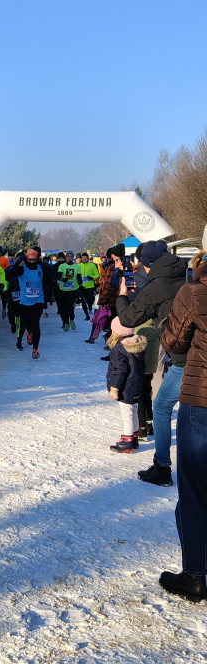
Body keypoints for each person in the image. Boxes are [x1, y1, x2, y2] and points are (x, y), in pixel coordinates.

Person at [115, 240, 188, 486]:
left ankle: (162, 466)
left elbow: (128, 318)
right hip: (196, 350)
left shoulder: (156, 287)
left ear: (147, 265)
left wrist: (122, 296)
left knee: (162, 406)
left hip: (184, 358)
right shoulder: (186, 275)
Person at [158, 243, 207, 603]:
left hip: (201, 399)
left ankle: (194, 574)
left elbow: (173, 340)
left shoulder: (194, 291)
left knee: (193, 487)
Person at [106, 317, 147, 452]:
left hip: (125, 386)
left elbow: (119, 370)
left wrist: (114, 388)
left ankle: (127, 440)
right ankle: (134, 437)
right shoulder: (138, 343)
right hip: (136, 383)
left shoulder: (119, 349)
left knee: (127, 413)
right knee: (133, 410)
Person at [11, 249, 44, 359]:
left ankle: (35, 350)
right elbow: (11, 273)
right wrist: (17, 263)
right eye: (29, 260)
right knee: (26, 323)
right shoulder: (22, 269)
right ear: (26, 259)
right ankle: (29, 332)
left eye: (34, 260)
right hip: (25, 302)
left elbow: (50, 272)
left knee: (36, 324)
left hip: (38, 301)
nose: (31, 262)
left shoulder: (40, 267)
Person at [56, 251, 82, 331]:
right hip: (63, 289)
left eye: (71, 256)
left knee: (70, 306)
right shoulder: (62, 266)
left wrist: (81, 287)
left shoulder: (77, 267)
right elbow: (58, 276)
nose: (69, 258)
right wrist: (62, 279)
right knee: (64, 307)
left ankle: (71, 320)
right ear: (66, 258)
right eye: (68, 256)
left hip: (73, 289)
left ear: (73, 258)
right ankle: (66, 322)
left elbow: (79, 277)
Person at [78, 253, 100, 320]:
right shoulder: (78, 266)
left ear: (88, 258)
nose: (84, 258)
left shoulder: (92, 265)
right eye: (83, 257)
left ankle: (90, 306)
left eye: (85, 257)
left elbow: (97, 275)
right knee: (83, 301)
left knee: (90, 300)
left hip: (90, 286)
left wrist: (91, 278)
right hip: (81, 286)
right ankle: (87, 315)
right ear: (81, 258)